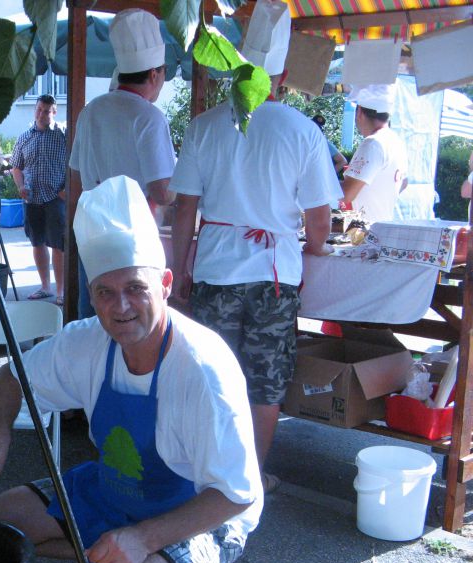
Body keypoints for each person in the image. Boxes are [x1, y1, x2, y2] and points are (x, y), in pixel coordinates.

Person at [0, 175, 262, 563]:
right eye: (105, 292)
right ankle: (118, 555)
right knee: (3, 521)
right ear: (92, 295)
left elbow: (237, 493)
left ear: (164, 285)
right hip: (114, 486)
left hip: (203, 509)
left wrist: (144, 538)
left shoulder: (203, 370)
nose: (120, 307)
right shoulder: (86, 343)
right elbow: (11, 378)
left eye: (135, 288)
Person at [168, 0, 341, 495]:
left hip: (216, 272)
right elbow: (319, 224)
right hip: (273, 277)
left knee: (209, 376)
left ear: (236, 66)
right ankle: (250, 481)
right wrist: (316, 243)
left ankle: (203, 473)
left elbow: (185, 210)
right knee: (265, 382)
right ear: (283, 73)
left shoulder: (203, 126)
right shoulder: (302, 131)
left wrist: (179, 268)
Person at [69, 8, 175, 319]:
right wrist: (186, 191)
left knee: (92, 319)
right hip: (133, 238)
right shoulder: (149, 118)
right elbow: (161, 191)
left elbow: (75, 177)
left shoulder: (91, 111)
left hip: (92, 231)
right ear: (154, 74)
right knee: (131, 321)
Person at [11, 95, 67, 303]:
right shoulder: (24, 137)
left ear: (54, 112)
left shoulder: (63, 135)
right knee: (37, 243)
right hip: (32, 198)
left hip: (55, 197)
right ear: (35, 110)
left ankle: (61, 291)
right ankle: (45, 286)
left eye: (47, 110)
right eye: (39, 110)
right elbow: (16, 167)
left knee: (58, 245)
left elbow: (75, 163)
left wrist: (66, 189)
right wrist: (20, 186)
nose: (42, 114)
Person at [340, 84, 408, 224]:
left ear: (359, 112)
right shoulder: (396, 141)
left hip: (363, 234)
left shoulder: (373, 143)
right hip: (381, 228)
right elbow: (404, 182)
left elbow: (346, 194)